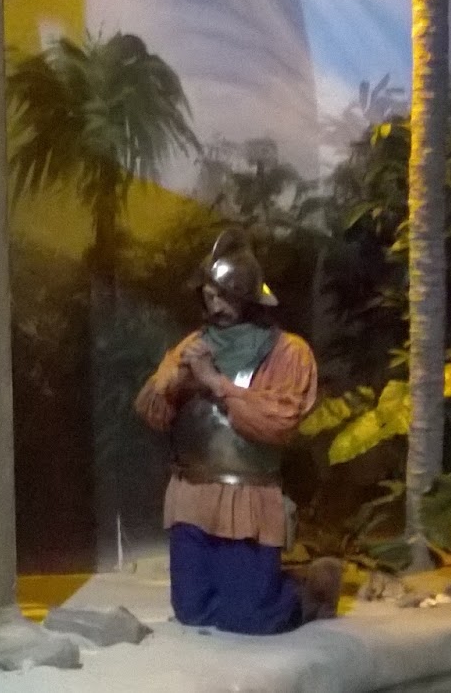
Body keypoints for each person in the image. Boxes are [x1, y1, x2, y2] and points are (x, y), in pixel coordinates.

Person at [134, 229, 340, 635]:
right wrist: (176, 382)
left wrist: (215, 381)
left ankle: (309, 590)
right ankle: (254, 589)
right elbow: (151, 411)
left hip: (247, 494)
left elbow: (277, 422)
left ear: (248, 297)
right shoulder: (193, 345)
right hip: (191, 493)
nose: (216, 304)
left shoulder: (287, 351)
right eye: (209, 295)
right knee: (191, 610)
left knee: (251, 617)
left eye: (225, 296)